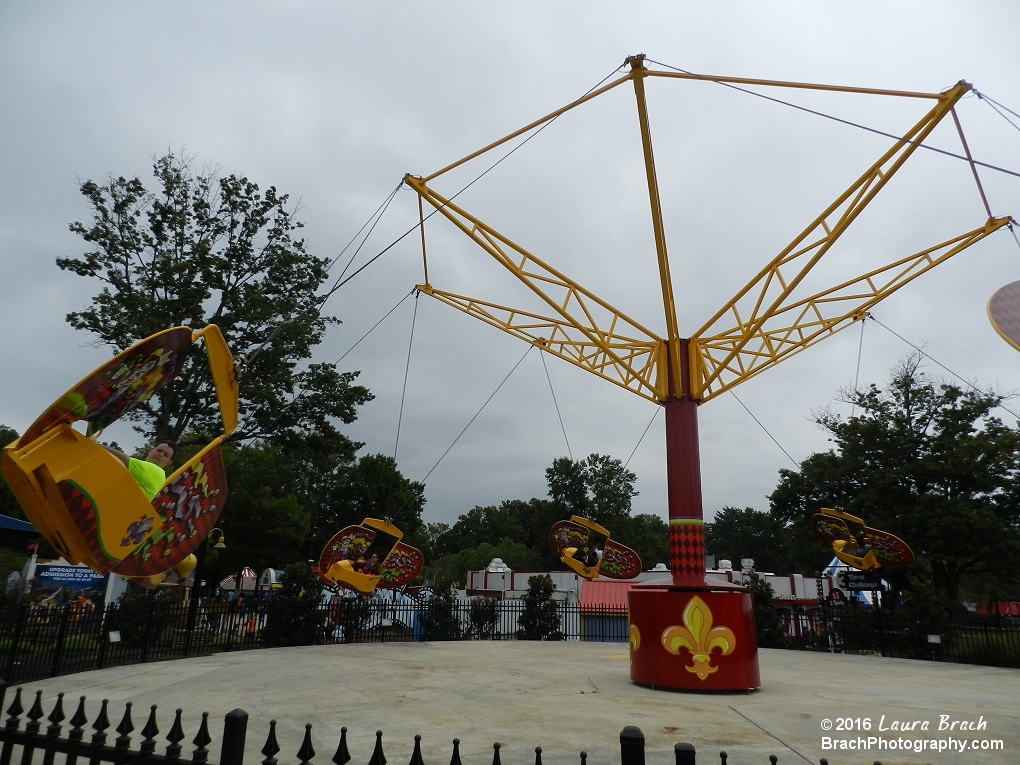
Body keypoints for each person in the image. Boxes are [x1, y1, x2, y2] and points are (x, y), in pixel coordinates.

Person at [90, 433, 174, 501]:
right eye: (159, 450)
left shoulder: (158, 472)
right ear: (151, 450)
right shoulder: (137, 471)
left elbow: (123, 458)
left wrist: (92, 444)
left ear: (168, 463)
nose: (160, 454)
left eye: (165, 455)